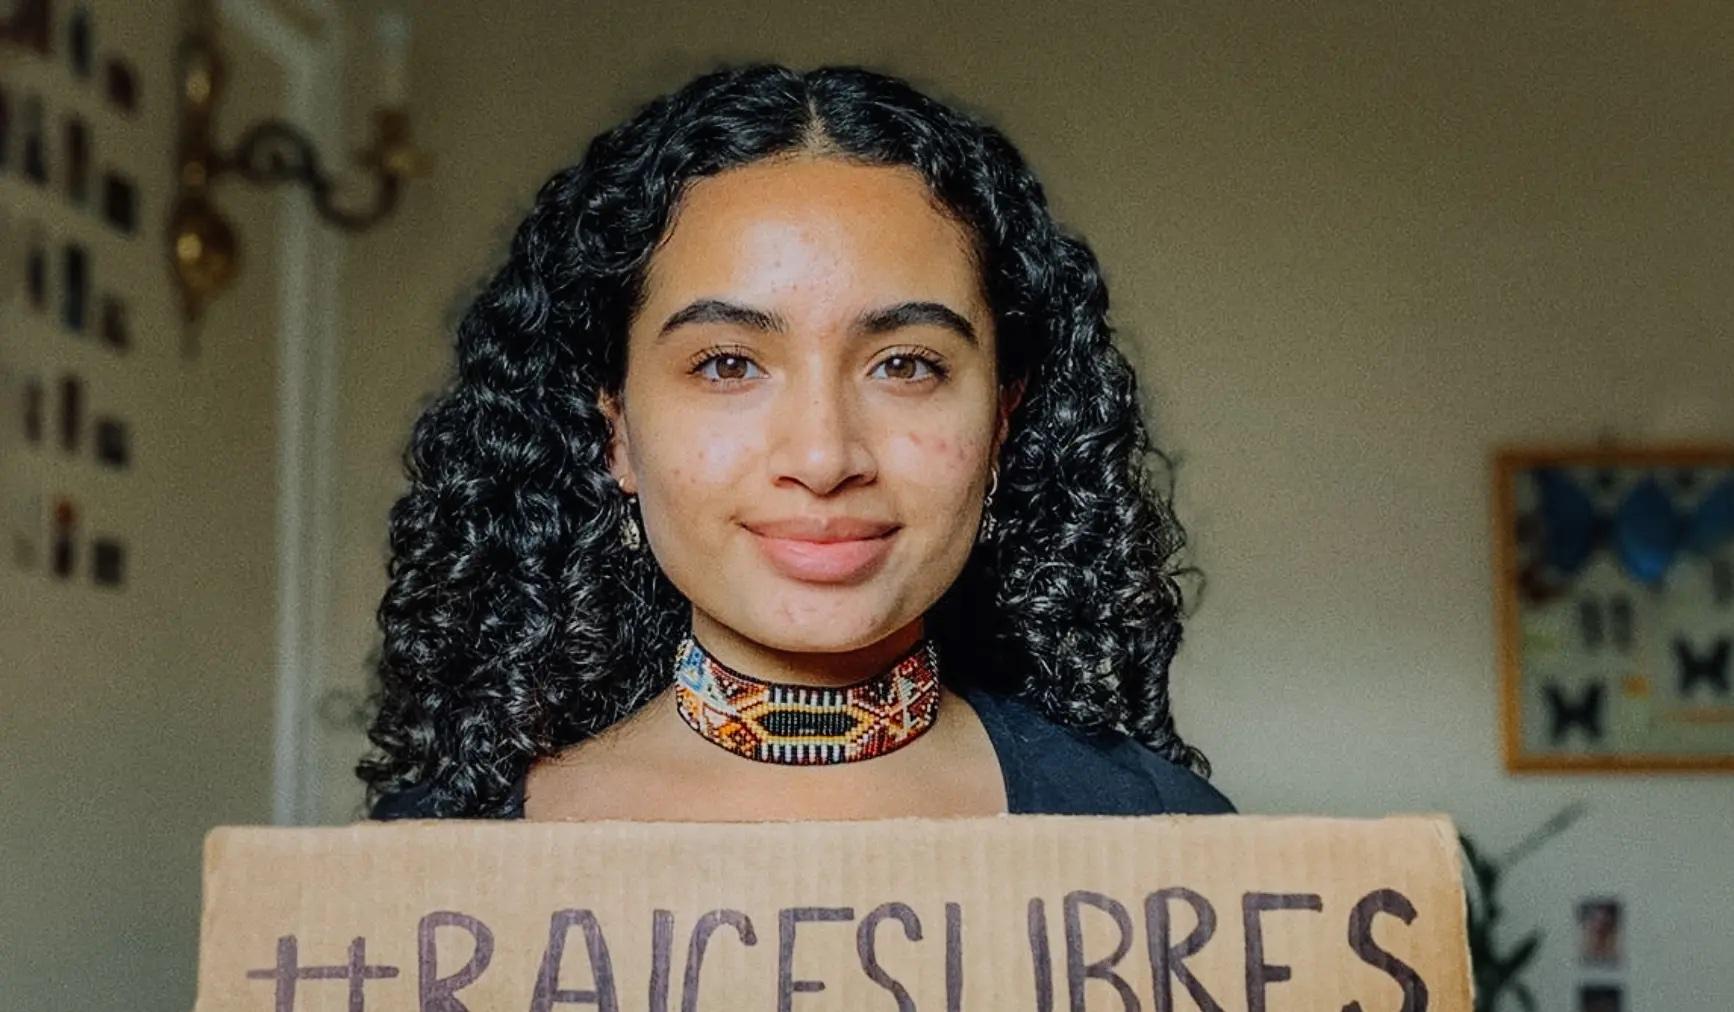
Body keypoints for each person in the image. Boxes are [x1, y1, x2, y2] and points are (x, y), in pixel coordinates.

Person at [360, 62, 1232, 822]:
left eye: (906, 365)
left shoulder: (1162, 838)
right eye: (729, 363)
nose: (822, 459)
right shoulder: (429, 868)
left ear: (1003, 422)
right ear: (615, 430)